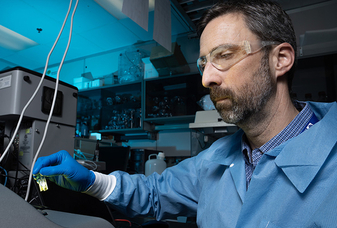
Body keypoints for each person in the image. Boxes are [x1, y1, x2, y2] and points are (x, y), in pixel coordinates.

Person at [33, 0, 337, 227]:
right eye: (204, 64)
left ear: (280, 59)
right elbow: (155, 192)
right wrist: (91, 181)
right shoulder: (216, 158)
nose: (207, 80)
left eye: (225, 56)